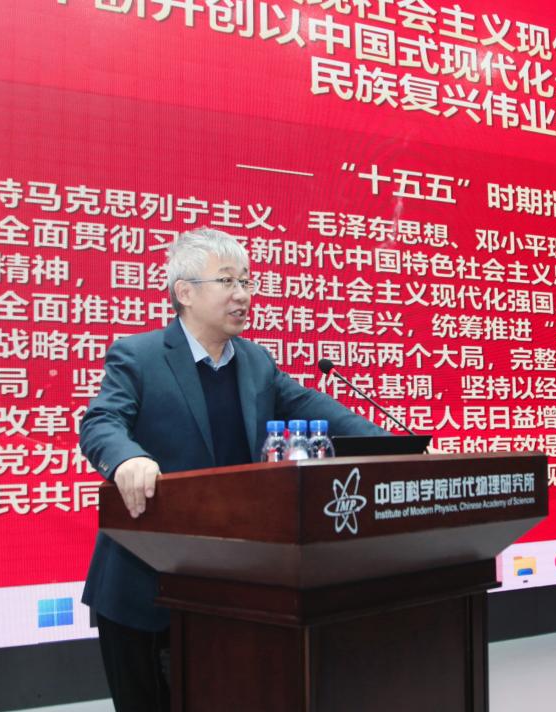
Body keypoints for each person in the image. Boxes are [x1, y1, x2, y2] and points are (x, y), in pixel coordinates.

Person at [79, 228, 389, 712]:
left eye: (246, 281)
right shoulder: (139, 356)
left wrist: (392, 446)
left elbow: (313, 406)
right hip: (144, 586)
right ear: (185, 292)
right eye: (227, 281)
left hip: (227, 588)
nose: (242, 294)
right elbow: (101, 421)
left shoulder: (255, 361)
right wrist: (127, 458)